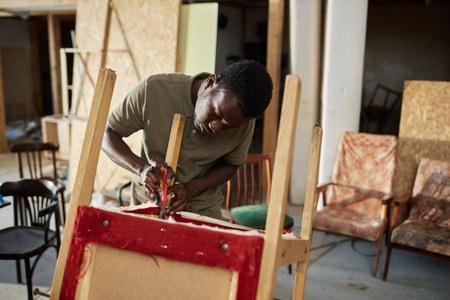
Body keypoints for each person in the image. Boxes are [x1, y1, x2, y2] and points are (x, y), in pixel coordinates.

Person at [102, 60, 273, 220]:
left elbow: (231, 164)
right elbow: (108, 134)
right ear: (211, 83)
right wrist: (141, 169)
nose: (216, 128)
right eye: (217, 114)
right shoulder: (154, 90)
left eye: (228, 126)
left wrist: (193, 187)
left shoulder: (243, 125)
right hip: (147, 207)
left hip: (202, 213)